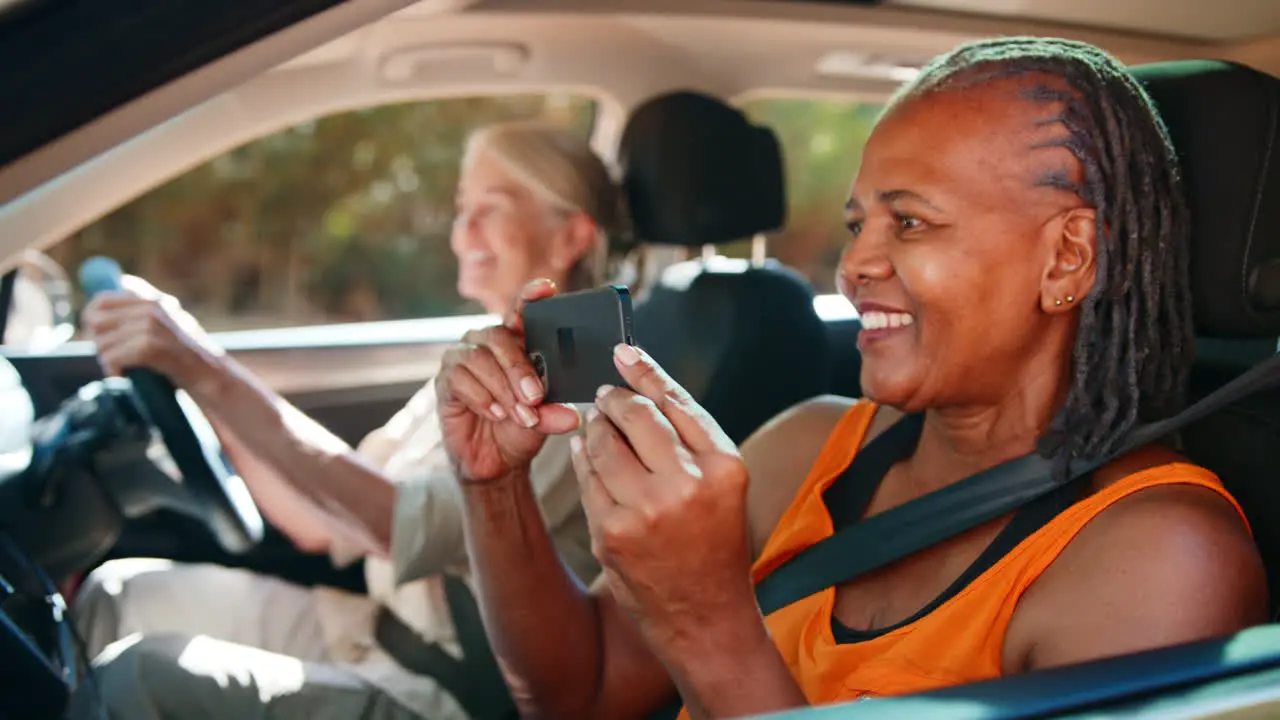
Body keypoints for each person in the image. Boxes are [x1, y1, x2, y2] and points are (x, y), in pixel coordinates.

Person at [435, 37, 1269, 720]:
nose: (854, 265)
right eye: (858, 223)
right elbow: (574, 695)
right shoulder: (805, 446)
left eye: (910, 221)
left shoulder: (1161, 562)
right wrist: (491, 486)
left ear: (1067, 257)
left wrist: (705, 618)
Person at [73, 120, 620, 719]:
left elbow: (392, 525)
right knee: (115, 595)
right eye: (463, 208)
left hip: (452, 689)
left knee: (140, 678)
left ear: (570, 237)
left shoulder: (575, 391)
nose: (462, 232)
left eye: (490, 209)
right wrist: (201, 390)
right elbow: (324, 522)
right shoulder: (488, 357)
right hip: (374, 632)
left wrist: (205, 367)